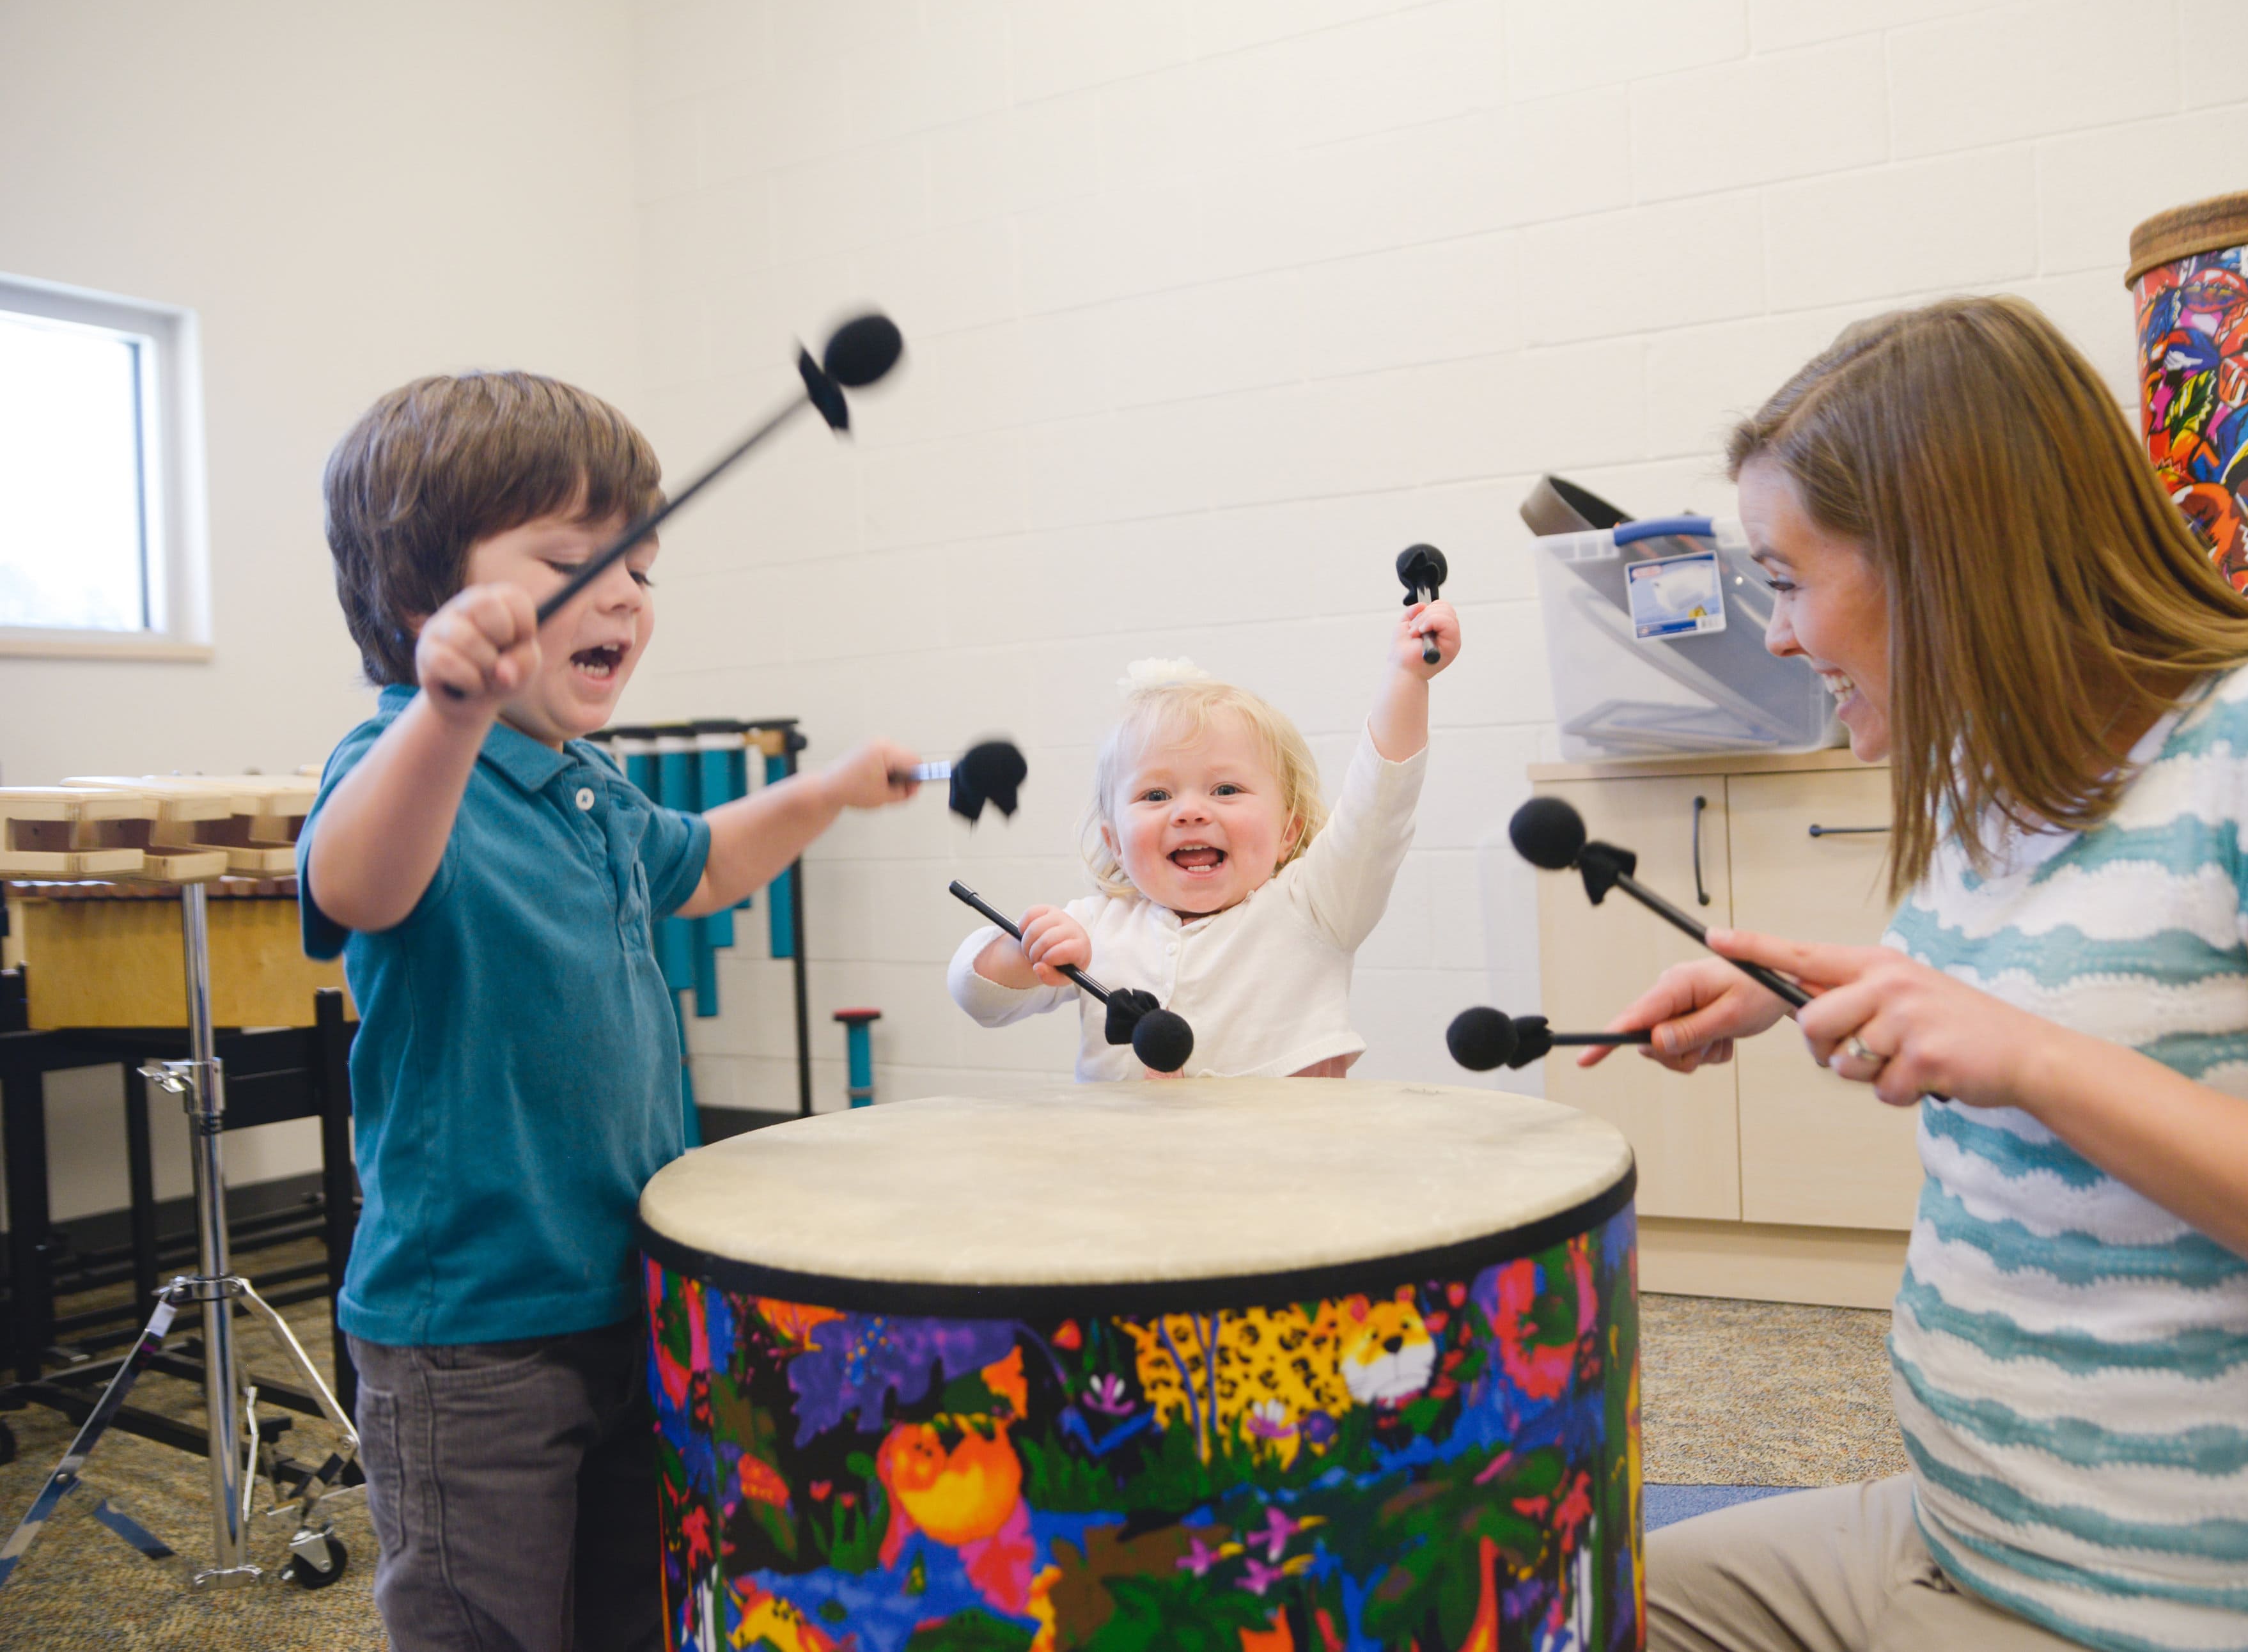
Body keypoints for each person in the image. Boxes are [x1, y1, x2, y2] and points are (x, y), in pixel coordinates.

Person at [1588, 296, 2248, 1652]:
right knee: (1539, 1612)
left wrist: (2025, 1056)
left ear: (1941, 558)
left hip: (2191, 1610)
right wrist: (1811, 984)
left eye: (1788, 578)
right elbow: (2110, 992)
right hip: (1956, 1525)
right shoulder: (2003, 771)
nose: (1784, 637)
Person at [299, 371, 919, 1651]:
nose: (628, 595)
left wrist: (829, 791)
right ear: (428, 600)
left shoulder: (591, 786)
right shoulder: (405, 767)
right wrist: (447, 709)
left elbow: (706, 860)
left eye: (642, 564)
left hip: (627, 1294)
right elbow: (356, 880)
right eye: (577, 561)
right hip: (468, 1335)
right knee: (491, 1627)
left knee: (636, 1610)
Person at [947, 597, 1460, 1079]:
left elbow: (1380, 806)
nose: (1190, 811)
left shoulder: (1316, 906)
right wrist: (1024, 956)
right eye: (1155, 795)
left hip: (1286, 1170)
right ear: (1117, 843)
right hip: (1124, 1169)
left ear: (1289, 832)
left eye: (1226, 788)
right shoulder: (1097, 927)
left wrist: (1407, 678)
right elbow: (975, 995)